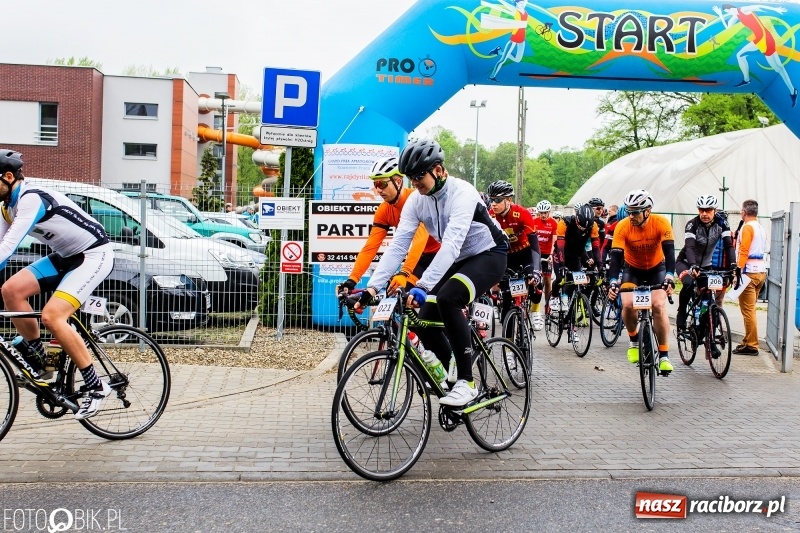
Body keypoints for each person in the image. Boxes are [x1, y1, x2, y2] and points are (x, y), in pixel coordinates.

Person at [356, 139, 509, 407]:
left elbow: (450, 244)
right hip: (458, 259)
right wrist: (371, 288)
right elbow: (397, 247)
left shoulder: (463, 193)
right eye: (410, 178)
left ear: (438, 170)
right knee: (419, 317)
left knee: (450, 297)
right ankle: (451, 372)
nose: (414, 183)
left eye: (418, 176)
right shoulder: (417, 201)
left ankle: (467, 382)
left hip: (489, 253)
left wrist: (423, 285)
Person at [0, 150, 115, 419]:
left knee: (53, 316)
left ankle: (96, 386)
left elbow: (8, 247)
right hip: (64, 256)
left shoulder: (31, 199)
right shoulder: (6, 206)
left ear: (7, 177)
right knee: (11, 291)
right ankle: (43, 362)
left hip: (93, 254)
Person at [337, 156, 440, 295]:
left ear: (398, 181)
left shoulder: (417, 200)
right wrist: (352, 280)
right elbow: (370, 247)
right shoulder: (384, 210)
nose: (378, 190)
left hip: (443, 255)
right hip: (422, 258)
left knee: (439, 302)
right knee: (399, 296)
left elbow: (419, 239)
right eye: (375, 185)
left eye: (382, 184)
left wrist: (405, 272)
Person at [607, 190, 676, 374]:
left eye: (636, 212)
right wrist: (613, 281)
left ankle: (663, 355)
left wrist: (670, 276)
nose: (631, 216)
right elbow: (615, 258)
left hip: (657, 269)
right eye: (629, 211)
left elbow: (670, 254)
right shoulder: (622, 226)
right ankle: (633, 341)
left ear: (647, 211)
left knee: (659, 306)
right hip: (633, 270)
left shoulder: (661, 223)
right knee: (627, 304)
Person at [675, 195, 737, 336]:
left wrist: (733, 266)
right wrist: (693, 265)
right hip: (685, 262)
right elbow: (689, 247)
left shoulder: (722, 224)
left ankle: (709, 332)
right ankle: (682, 313)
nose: (704, 214)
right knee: (689, 284)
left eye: (708, 210)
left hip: (706, 265)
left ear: (714, 210)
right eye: (701, 210)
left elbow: (728, 245)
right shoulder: (692, 225)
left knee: (708, 295)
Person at [486, 180, 543, 328]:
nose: (493, 204)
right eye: (491, 200)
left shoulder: (522, 213)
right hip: (506, 256)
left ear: (509, 200)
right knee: (506, 298)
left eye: (497, 200)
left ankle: (535, 311)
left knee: (535, 283)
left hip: (525, 253)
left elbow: (535, 245)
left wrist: (536, 270)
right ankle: (509, 344)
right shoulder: (490, 215)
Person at [733, 199, 768, 355]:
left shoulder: (747, 228)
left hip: (748, 272)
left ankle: (752, 345)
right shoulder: (760, 227)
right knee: (750, 309)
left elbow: (744, 251)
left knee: (748, 310)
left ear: (744, 212)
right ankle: (747, 340)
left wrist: (738, 270)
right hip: (760, 271)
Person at [552, 204, 600, 311]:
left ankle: (569, 316)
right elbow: (560, 246)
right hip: (561, 254)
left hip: (576, 256)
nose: (582, 229)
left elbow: (596, 247)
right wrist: (562, 265)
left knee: (576, 283)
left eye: (585, 228)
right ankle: (554, 296)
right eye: (580, 226)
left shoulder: (593, 225)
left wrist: (599, 264)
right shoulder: (564, 222)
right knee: (560, 279)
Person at [532, 200, 558, 311]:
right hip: (536, 252)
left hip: (548, 253)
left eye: (545, 213)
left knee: (547, 280)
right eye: (541, 213)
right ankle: (533, 302)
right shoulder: (534, 221)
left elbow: (554, 241)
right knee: (533, 278)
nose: (543, 215)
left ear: (549, 212)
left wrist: (551, 254)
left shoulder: (553, 223)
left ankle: (547, 304)